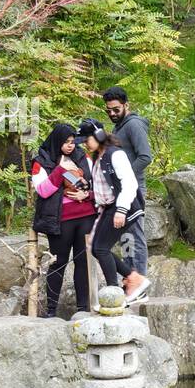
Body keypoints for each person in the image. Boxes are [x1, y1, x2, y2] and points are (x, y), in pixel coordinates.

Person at [31, 122, 96, 319]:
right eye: (66, 142)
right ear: (57, 140)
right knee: (58, 262)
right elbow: (42, 190)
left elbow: (96, 183)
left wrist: (88, 195)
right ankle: (51, 310)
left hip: (86, 215)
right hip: (59, 220)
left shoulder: (82, 157)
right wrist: (60, 170)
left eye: (73, 142)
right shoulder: (41, 161)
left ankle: (83, 309)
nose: (70, 146)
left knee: (83, 262)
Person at [81, 122, 149, 300]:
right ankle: (133, 278)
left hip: (121, 207)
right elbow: (103, 186)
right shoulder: (99, 156)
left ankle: (115, 293)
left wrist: (121, 210)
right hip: (108, 207)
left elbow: (130, 183)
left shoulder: (115, 154)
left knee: (101, 248)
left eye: (86, 139)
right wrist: (87, 193)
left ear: (99, 135)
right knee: (96, 248)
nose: (84, 144)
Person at [101, 86, 152, 304]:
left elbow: (145, 157)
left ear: (126, 106)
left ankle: (140, 286)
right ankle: (132, 283)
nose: (112, 113)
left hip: (134, 191)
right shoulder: (119, 126)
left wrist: (125, 177)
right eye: (109, 110)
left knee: (134, 238)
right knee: (126, 240)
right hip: (123, 193)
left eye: (116, 109)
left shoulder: (134, 125)